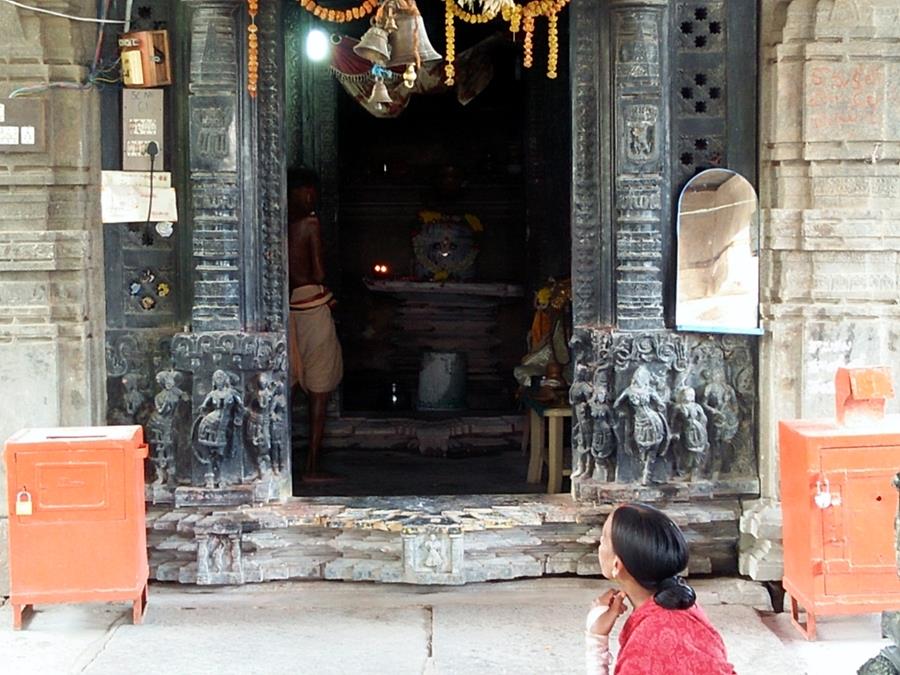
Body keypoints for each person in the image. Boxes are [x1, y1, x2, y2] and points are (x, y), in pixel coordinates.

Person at [585, 503, 736, 675]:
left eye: (603, 539)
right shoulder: (684, 605)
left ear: (616, 565)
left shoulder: (647, 643)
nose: (599, 545)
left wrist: (596, 640)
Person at [287, 168, 343, 480]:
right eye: (306, 191)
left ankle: (280, 463)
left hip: (288, 307)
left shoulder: (275, 225)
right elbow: (319, 272)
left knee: (290, 384)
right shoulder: (310, 223)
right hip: (312, 304)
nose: (311, 197)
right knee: (320, 389)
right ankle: (311, 464)